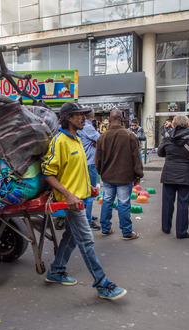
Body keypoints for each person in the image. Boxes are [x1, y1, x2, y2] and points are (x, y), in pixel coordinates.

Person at [42, 102, 127, 300]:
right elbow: (48, 173)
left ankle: (56, 270)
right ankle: (102, 284)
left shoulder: (77, 139)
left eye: (84, 115)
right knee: (87, 240)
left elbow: (78, 168)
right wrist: (68, 194)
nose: (84, 118)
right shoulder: (60, 141)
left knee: (71, 238)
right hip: (70, 201)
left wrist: (88, 186)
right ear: (68, 118)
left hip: (80, 198)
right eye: (79, 115)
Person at [157, 115, 189, 238]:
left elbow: (160, 152)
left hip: (169, 172)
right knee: (183, 203)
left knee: (167, 202)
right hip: (186, 173)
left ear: (173, 124)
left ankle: (166, 228)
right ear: (188, 124)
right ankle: (181, 232)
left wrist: (170, 155)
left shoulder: (167, 136)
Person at [96, 109, 143, 240]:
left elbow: (98, 161)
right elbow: (136, 158)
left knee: (107, 202)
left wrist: (102, 173)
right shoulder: (130, 135)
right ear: (122, 120)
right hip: (125, 176)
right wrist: (138, 175)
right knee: (123, 203)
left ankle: (105, 228)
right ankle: (127, 232)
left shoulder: (102, 137)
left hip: (108, 177)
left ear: (109, 120)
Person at [78, 109, 101, 230]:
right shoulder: (88, 126)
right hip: (90, 163)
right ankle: (87, 221)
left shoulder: (81, 127)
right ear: (92, 116)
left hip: (83, 163)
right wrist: (97, 142)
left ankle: (87, 216)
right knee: (90, 193)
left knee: (85, 192)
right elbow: (101, 140)